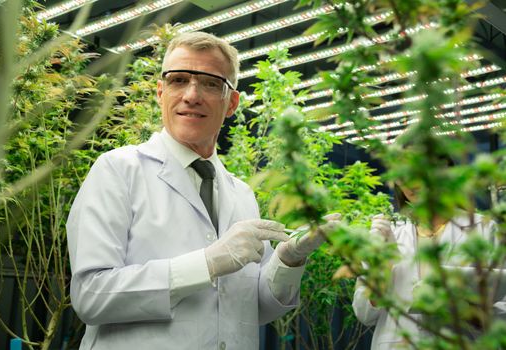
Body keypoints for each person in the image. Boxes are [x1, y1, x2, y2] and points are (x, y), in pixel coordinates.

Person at [67, 31, 340, 350]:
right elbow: (91, 296)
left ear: (232, 103)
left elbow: (252, 310)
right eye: (178, 80)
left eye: (210, 83)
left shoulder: (241, 194)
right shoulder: (118, 170)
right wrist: (207, 263)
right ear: (160, 92)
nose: (191, 95)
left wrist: (288, 261)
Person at [352, 179, 504, 349]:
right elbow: (364, 314)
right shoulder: (388, 233)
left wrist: (467, 313)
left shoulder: (483, 229)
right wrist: (381, 266)